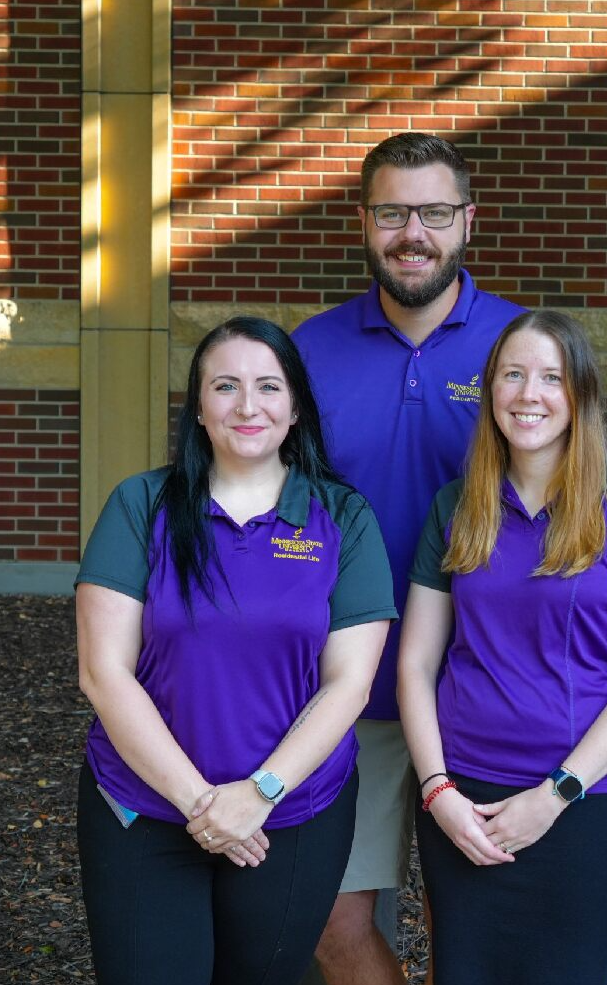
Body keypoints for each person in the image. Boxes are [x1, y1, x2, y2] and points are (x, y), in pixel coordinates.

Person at [74, 316, 397, 984]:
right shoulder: (143, 505)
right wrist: (204, 802)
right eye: (225, 386)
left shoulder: (343, 519)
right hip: (145, 808)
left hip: (292, 814)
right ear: (198, 406)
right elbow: (104, 673)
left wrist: (260, 791)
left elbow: (349, 683)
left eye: (268, 386)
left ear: (296, 405)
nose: (248, 406)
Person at [292, 132, 525, 984]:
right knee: (327, 915)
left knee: (468, 918)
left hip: (485, 687)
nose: (412, 232)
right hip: (345, 684)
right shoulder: (306, 354)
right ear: (365, 221)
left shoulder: (521, 351)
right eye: (393, 212)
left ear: (468, 219)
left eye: (432, 212)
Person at [398, 310, 607, 985]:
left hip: (582, 805)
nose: (529, 394)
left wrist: (554, 795)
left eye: (551, 377)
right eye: (513, 374)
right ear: (491, 389)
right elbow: (415, 664)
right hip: (463, 802)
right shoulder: (456, 506)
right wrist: (438, 790)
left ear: (579, 394)